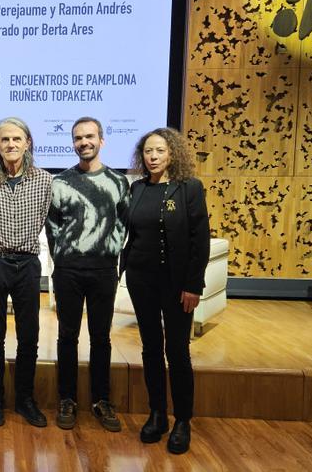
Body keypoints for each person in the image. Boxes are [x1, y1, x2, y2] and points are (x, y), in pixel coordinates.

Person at [121, 127, 210, 455]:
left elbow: (199, 240)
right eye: (148, 152)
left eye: (159, 151)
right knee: (150, 349)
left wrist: (193, 285)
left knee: (177, 351)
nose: (153, 157)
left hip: (177, 285)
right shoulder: (138, 189)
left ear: (172, 153)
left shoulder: (189, 189)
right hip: (141, 280)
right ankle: (157, 414)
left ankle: (182, 420)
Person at [45, 116, 129, 432]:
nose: (84, 142)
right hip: (68, 271)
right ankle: (67, 399)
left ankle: (101, 400)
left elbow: (123, 224)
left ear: (101, 140)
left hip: (104, 271)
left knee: (101, 338)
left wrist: (108, 252)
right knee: (67, 337)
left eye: (90, 136)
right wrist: (64, 257)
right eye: (79, 138)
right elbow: (52, 226)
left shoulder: (119, 182)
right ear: (73, 143)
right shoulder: (60, 183)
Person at [0, 117, 52, 427]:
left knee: (29, 335)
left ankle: (25, 399)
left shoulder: (44, 180)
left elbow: (43, 217)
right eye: (5, 140)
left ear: (27, 142)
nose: (11, 145)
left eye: (17, 139)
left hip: (28, 263)